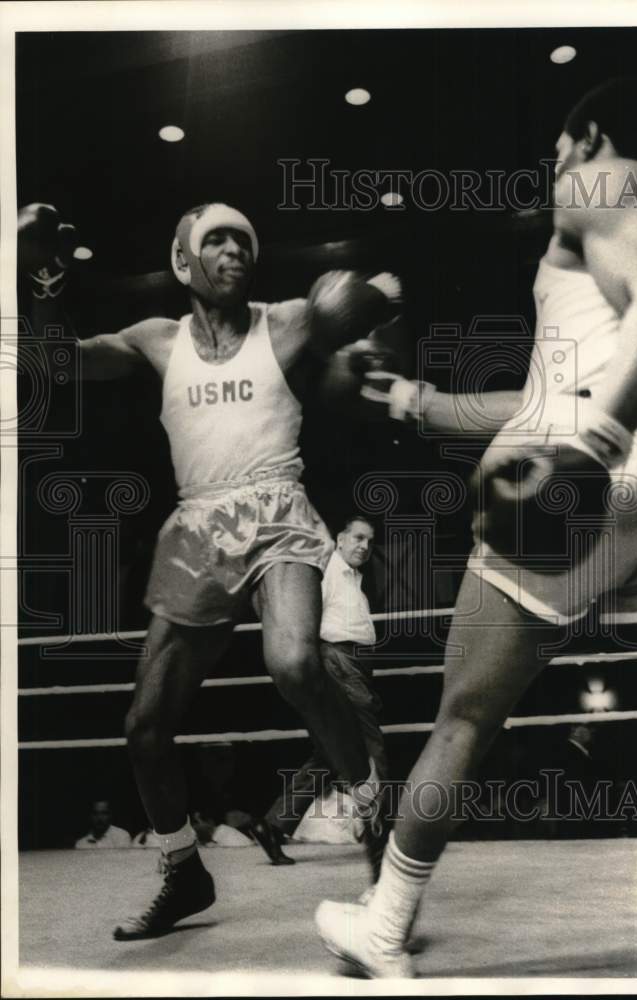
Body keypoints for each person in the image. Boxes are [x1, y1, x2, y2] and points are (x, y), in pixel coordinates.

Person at [316, 77, 637, 977]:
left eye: (557, 147)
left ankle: (382, 931)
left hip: (581, 474)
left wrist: (592, 446)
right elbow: (561, 385)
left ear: (589, 134)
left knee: (463, 718)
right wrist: (425, 401)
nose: (553, 167)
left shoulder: (605, 179)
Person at [18, 201, 401, 939]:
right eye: (216, 240)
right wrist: (44, 279)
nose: (234, 251)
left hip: (279, 509)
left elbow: (362, 318)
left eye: (243, 241)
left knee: (293, 662)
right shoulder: (156, 341)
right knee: (144, 727)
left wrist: (379, 298)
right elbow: (56, 362)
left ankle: (371, 807)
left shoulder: (286, 322)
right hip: (198, 526)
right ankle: (183, 872)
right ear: (183, 261)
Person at [261, 515, 387, 861]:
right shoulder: (329, 569)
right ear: (340, 538)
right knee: (369, 744)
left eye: (370, 541)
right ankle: (383, 834)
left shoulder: (351, 577)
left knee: (329, 755)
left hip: (351, 661)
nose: (364, 546)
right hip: (339, 660)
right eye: (358, 538)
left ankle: (273, 825)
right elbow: (307, 621)